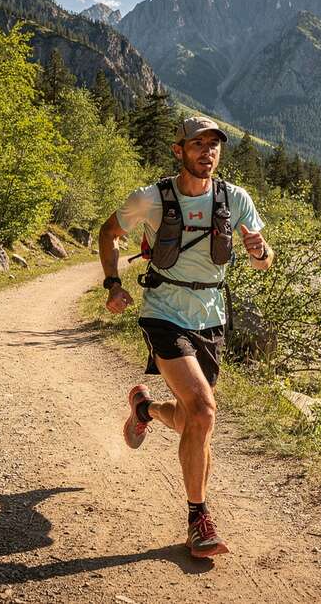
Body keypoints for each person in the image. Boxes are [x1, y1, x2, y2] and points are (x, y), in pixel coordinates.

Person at [97, 116, 274, 558]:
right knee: (204, 410)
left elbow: (263, 258)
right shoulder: (151, 198)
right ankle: (199, 519)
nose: (207, 152)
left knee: (195, 418)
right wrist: (113, 284)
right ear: (179, 150)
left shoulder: (235, 199)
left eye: (214, 145)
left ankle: (145, 409)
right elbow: (108, 233)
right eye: (198, 144)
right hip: (163, 313)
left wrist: (260, 252)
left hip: (211, 318)